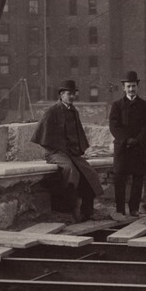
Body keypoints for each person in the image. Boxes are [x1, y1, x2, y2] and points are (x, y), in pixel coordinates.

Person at [32, 79, 104, 223]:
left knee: (89, 173)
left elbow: (78, 135)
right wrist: (56, 150)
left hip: (72, 153)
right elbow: (42, 135)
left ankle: (87, 211)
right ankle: (70, 211)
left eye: (73, 94)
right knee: (71, 171)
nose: (71, 97)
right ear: (61, 95)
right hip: (55, 153)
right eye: (68, 94)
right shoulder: (52, 111)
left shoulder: (73, 111)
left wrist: (80, 150)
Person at [107, 70, 146, 218]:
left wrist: (138, 140)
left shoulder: (145, 106)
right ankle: (120, 209)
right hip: (122, 148)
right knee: (120, 179)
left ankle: (134, 208)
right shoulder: (117, 105)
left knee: (138, 178)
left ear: (137, 86)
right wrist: (127, 139)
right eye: (128, 86)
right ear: (123, 88)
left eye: (133, 86)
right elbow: (114, 126)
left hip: (139, 148)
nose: (131, 89)